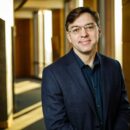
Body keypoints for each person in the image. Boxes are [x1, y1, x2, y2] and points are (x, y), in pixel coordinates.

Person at [41, 7, 130, 130]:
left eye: (89, 27)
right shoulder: (53, 74)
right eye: (76, 29)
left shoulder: (114, 67)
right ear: (69, 37)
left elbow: (123, 109)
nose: (84, 34)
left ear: (99, 31)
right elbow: (57, 125)